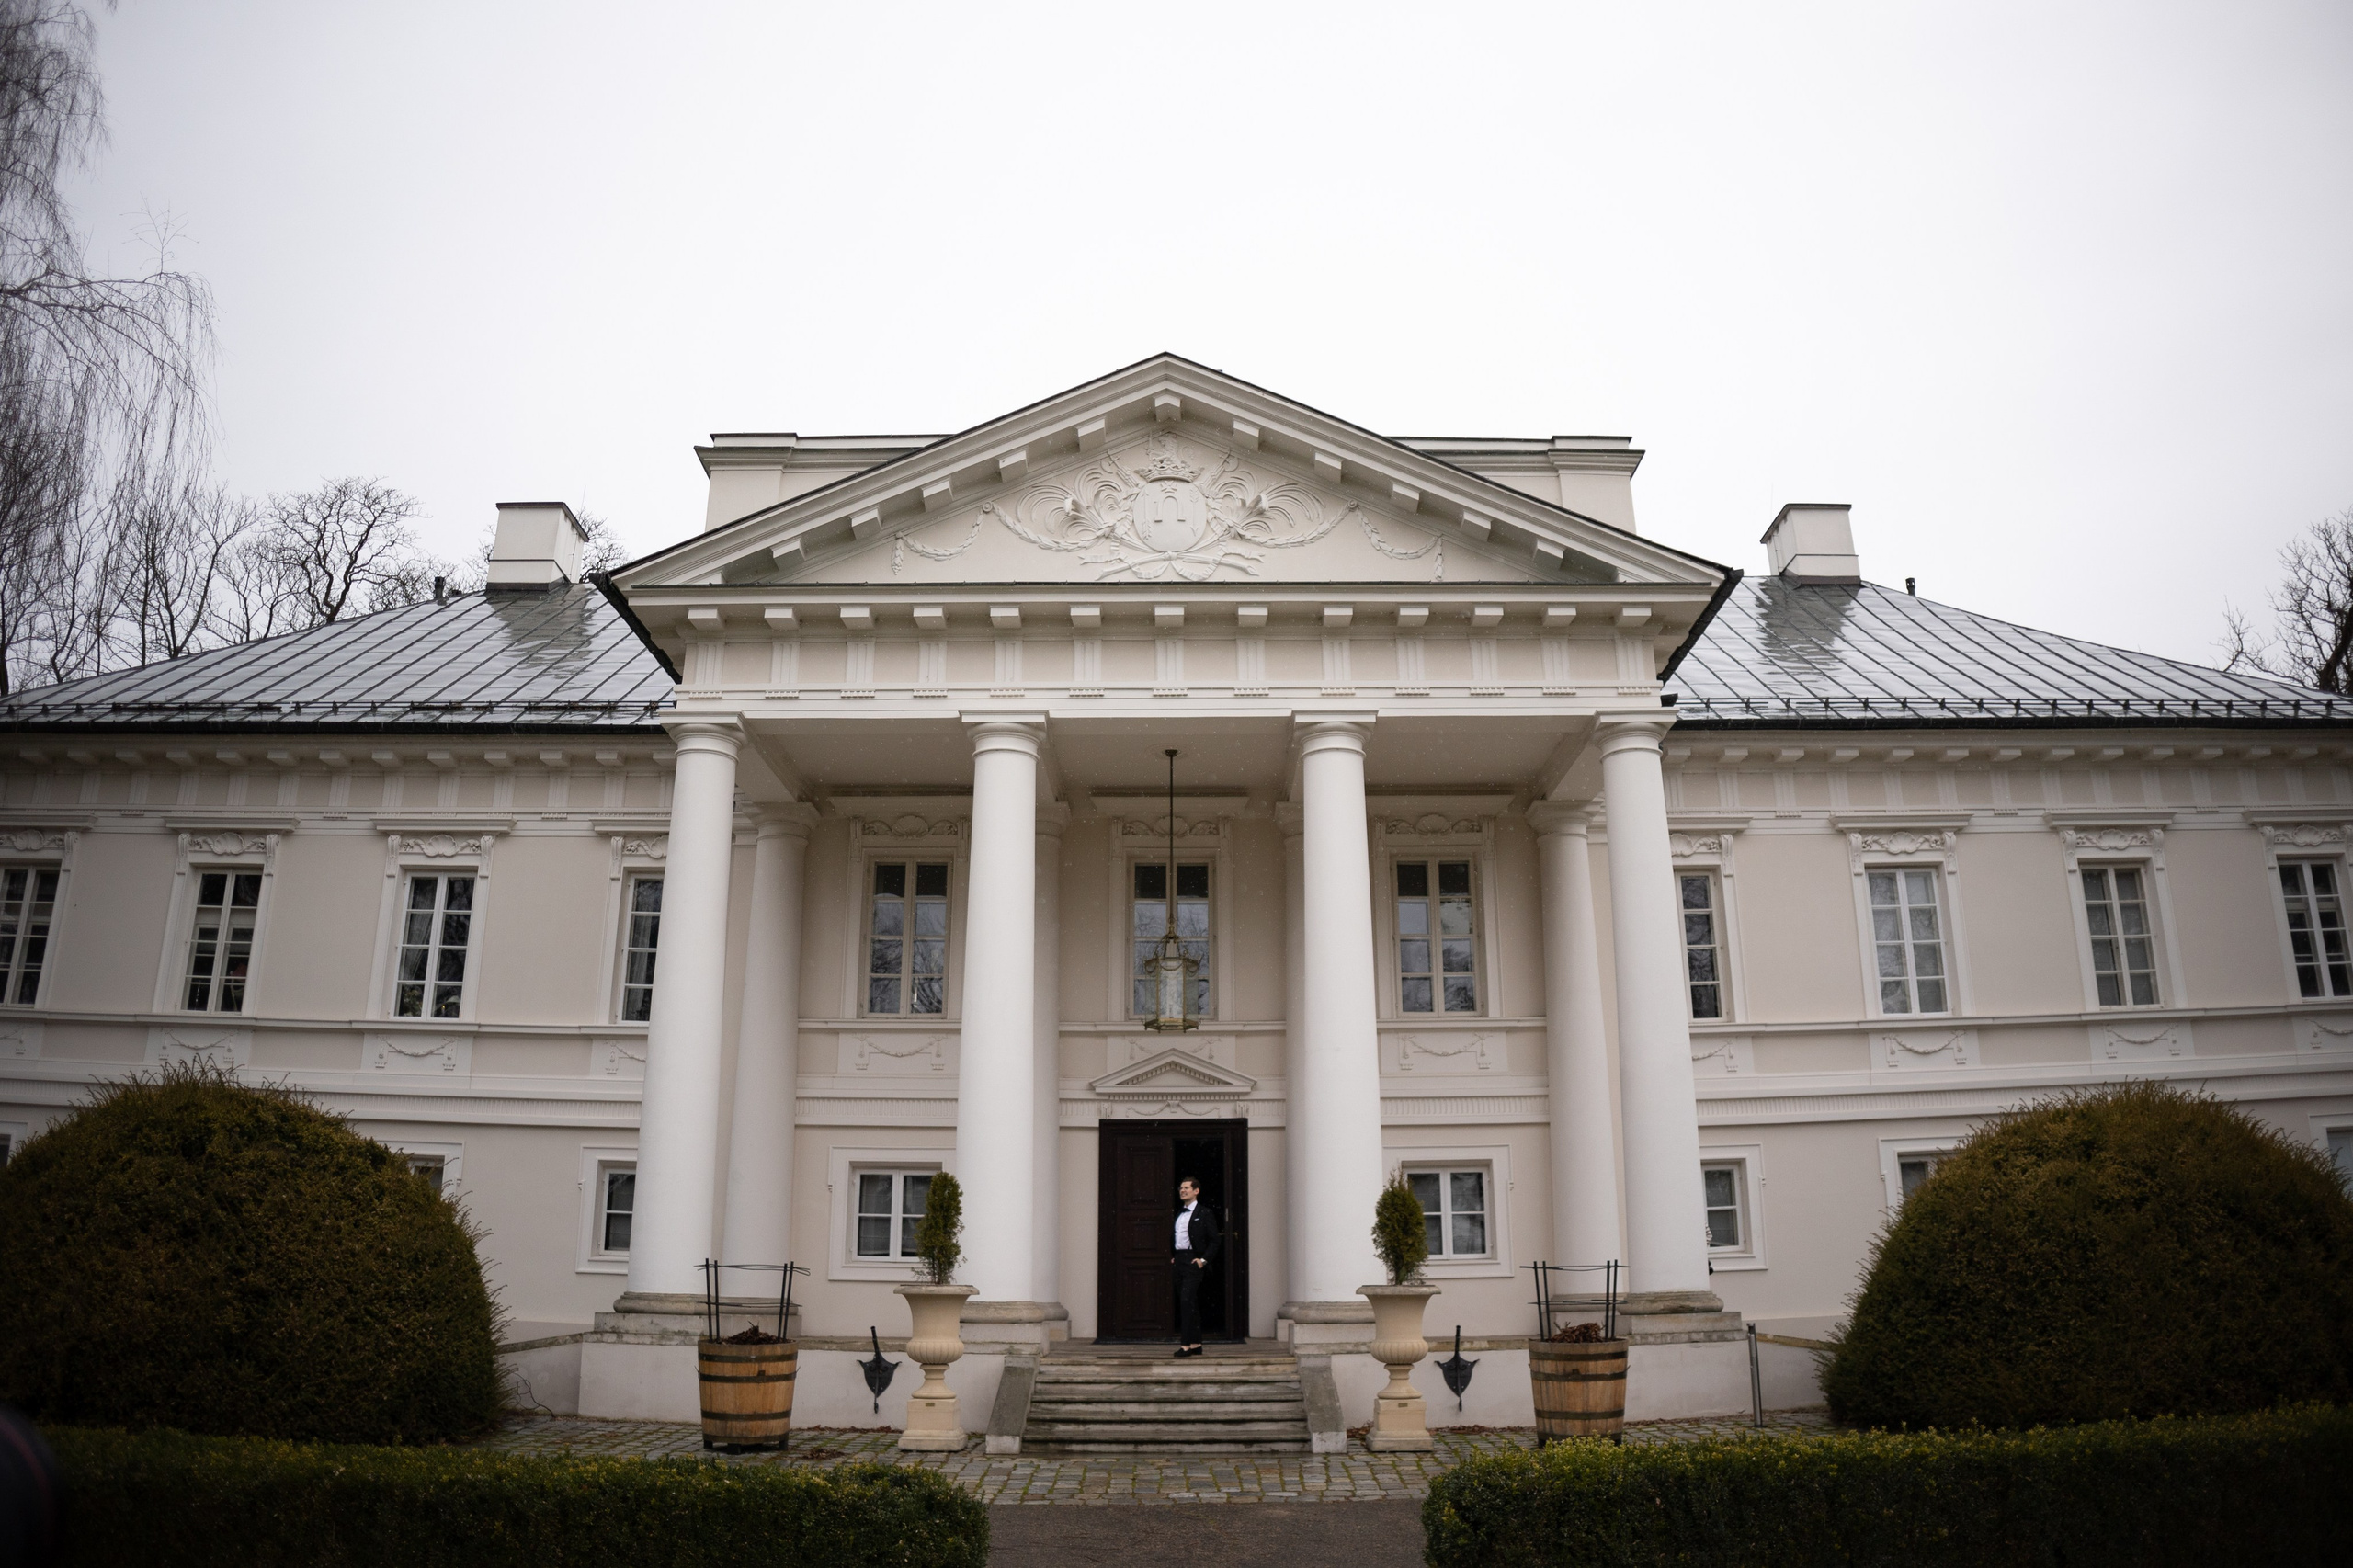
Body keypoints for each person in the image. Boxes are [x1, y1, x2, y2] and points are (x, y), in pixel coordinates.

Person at [1171, 1176, 1221, 1357]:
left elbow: (1215, 1241)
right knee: (1189, 1303)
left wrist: (1203, 1260)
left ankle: (1185, 1346)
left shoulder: (1204, 1213)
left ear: (1196, 1191)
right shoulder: (1178, 1213)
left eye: (1186, 1188)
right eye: (1181, 1188)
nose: (1182, 1191)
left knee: (1186, 1301)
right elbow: (1176, 1237)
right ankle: (1196, 1344)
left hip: (1194, 1261)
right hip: (1180, 1260)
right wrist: (1174, 1256)